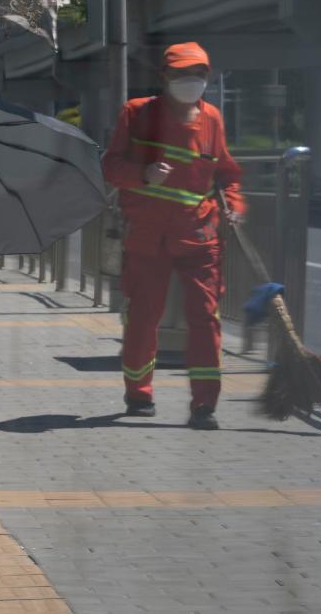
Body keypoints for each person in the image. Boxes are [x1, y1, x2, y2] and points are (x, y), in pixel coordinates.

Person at [101, 42, 244, 430]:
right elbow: (111, 166)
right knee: (144, 318)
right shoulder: (137, 113)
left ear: (207, 78)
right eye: (181, 74)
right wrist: (142, 175)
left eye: (197, 75)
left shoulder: (212, 118)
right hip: (147, 237)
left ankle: (204, 405)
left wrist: (234, 205)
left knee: (206, 318)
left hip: (199, 235)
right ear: (163, 77)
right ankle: (138, 393)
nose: (189, 82)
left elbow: (227, 173)